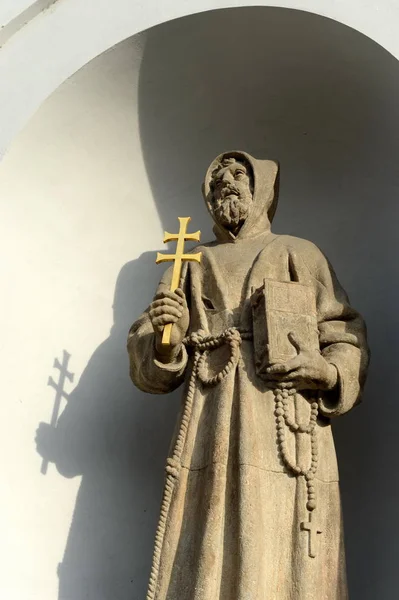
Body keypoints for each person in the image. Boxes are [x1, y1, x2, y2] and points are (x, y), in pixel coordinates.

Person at [127, 151, 369, 599]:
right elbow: (151, 350)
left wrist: (328, 370)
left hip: (287, 424)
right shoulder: (189, 261)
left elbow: (345, 332)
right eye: (217, 179)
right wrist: (167, 334)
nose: (227, 184)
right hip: (211, 421)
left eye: (239, 175)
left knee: (284, 541)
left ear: (262, 190)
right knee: (209, 540)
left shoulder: (298, 252)